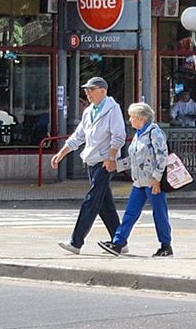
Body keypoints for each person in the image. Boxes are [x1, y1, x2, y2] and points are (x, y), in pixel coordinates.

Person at [49, 76, 124, 254]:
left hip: (104, 162)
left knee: (91, 201)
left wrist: (111, 158)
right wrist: (62, 153)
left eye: (91, 89)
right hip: (92, 160)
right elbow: (78, 136)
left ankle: (76, 242)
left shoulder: (112, 109)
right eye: (86, 90)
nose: (88, 93)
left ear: (103, 91)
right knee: (105, 205)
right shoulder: (89, 110)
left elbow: (118, 136)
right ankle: (120, 239)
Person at [99, 102, 173, 258]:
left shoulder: (155, 133)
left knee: (159, 213)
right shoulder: (139, 135)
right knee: (130, 213)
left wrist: (157, 179)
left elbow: (162, 156)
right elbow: (134, 158)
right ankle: (118, 243)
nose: (130, 120)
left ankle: (166, 246)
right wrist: (116, 166)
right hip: (139, 182)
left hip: (153, 182)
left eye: (132, 117)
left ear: (142, 118)